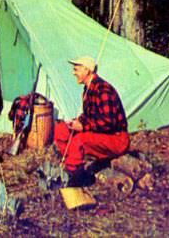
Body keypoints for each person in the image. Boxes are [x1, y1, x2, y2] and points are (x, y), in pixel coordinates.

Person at [54, 56, 130, 187]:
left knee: (80, 140)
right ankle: (70, 165)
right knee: (60, 130)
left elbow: (108, 123)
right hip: (102, 134)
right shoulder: (88, 89)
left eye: (76, 69)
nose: (74, 73)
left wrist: (83, 127)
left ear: (87, 70)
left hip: (117, 139)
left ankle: (74, 178)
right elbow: (90, 115)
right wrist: (75, 122)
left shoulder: (103, 90)